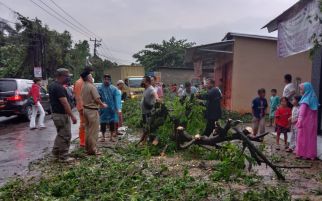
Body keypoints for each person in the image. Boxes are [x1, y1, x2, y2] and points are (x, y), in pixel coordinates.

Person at [48, 68, 77, 162]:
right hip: (61, 115)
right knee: (66, 135)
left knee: (60, 134)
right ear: (62, 76)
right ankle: (64, 157)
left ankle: (55, 153)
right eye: (67, 76)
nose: (68, 78)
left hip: (56, 114)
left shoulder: (53, 85)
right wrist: (72, 116)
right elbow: (65, 103)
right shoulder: (59, 88)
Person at [81, 72, 107, 155]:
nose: (92, 78)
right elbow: (96, 98)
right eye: (91, 76)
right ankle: (93, 149)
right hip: (92, 110)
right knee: (94, 131)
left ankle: (88, 149)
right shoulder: (91, 86)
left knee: (88, 131)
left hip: (85, 110)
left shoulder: (83, 86)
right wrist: (102, 105)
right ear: (88, 78)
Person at [296, 82, 319, 160]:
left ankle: (303, 153)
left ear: (306, 89)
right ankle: (311, 154)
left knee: (302, 138)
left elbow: (302, 113)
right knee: (311, 138)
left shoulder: (305, 99)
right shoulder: (314, 98)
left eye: (301, 89)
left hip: (305, 123)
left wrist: (299, 121)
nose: (300, 91)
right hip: (312, 123)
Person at [73, 66, 93, 147]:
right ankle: (82, 141)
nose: (91, 76)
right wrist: (81, 108)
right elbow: (78, 96)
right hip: (83, 107)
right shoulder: (80, 83)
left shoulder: (82, 82)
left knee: (86, 124)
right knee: (83, 124)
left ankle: (85, 140)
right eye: (90, 74)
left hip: (86, 106)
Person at [98, 74, 120, 142]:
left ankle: (111, 137)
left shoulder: (114, 88)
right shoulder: (99, 88)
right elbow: (97, 98)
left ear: (110, 80)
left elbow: (116, 99)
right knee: (103, 123)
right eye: (105, 79)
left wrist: (117, 108)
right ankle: (103, 137)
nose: (106, 81)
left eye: (108, 79)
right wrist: (99, 106)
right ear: (103, 80)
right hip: (103, 109)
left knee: (112, 123)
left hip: (111, 108)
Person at [140, 76, 158, 144]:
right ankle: (144, 140)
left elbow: (155, 94)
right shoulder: (145, 89)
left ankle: (144, 141)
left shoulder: (151, 89)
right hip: (144, 112)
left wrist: (157, 99)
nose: (142, 82)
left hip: (148, 113)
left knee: (147, 127)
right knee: (145, 126)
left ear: (147, 82)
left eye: (143, 81)